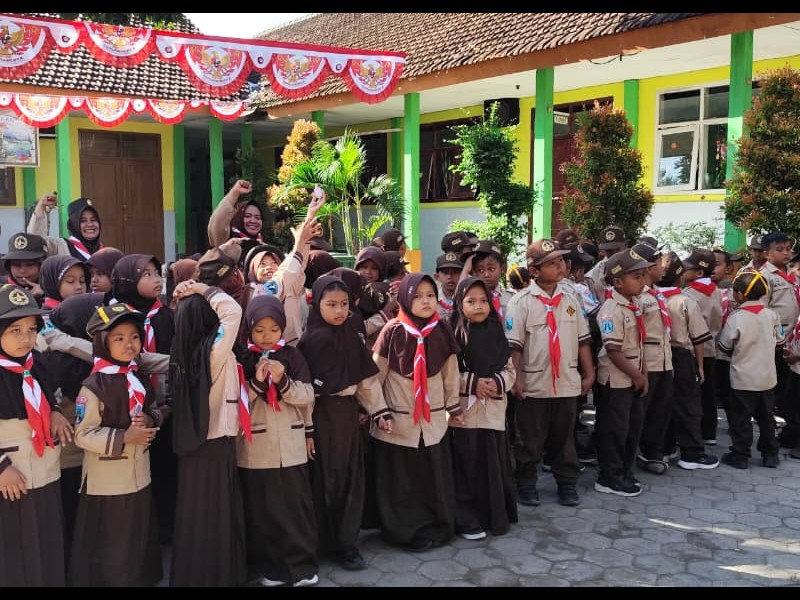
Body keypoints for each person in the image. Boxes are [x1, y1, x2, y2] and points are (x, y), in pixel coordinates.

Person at [297, 275, 390, 571]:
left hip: (347, 418)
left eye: (344, 304)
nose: (339, 311)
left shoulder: (351, 336)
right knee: (323, 480)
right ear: (317, 305)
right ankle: (321, 542)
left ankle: (346, 544)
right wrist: (308, 429)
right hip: (320, 418)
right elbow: (305, 390)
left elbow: (366, 380)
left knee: (350, 478)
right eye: (331, 304)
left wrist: (379, 411)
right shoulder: (310, 341)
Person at [69, 304, 163, 587]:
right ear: (102, 342)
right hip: (107, 481)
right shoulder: (93, 386)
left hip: (139, 474)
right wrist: (124, 437)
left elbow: (154, 408)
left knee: (137, 534)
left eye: (134, 337)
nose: (128, 344)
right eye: (118, 338)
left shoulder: (138, 378)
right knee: (113, 542)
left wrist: (150, 419)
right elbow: (82, 434)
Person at [371, 273, 462, 552]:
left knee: (432, 476)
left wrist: (453, 405)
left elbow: (450, 373)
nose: (425, 301)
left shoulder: (441, 330)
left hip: (432, 420)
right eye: (418, 296)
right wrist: (378, 410)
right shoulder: (392, 331)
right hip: (399, 421)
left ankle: (437, 526)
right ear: (405, 298)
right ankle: (404, 531)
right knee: (403, 478)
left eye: (430, 295)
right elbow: (375, 376)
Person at [168, 277, 247, 587]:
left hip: (195, 444)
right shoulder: (212, 352)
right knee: (217, 513)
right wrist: (202, 289)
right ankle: (218, 575)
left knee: (195, 514)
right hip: (215, 442)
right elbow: (233, 312)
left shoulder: (183, 352)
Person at [237, 295, 319, 587]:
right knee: (264, 511)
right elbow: (236, 404)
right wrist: (257, 383)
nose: (267, 336)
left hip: (292, 444)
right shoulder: (243, 358)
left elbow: (307, 396)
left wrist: (283, 381)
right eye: (259, 330)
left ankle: (302, 566)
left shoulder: (293, 356)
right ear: (249, 329)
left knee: (296, 507)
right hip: (256, 449)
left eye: (274, 329)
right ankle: (271, 568)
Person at [507, 240, 594, 507]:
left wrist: (589, 373)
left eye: (561, 261)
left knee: (564, 438)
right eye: (551, 263)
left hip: (566, 382)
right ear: (534, 271)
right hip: (533, 384)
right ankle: (526, 483)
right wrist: (515, 379)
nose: (560, 266)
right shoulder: (521, 302)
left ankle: (566, 483)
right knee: (529, 439)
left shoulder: (571, 299)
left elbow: (582, 340)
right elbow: (514, 346)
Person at [0, 283, 72, 587]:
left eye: (31, 329)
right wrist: (1, 468)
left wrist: (54, 410)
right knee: (16, 549)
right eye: (15, 330)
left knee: (47, 537)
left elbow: (45, 394)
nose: (26, 338)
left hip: (44, 468)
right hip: (11, 476)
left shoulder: (36, 361)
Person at [110, 253, 176, 545]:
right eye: (145, 274)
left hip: (166, 403)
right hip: (129, 406)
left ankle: (165, 529)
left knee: (165, 465)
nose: (156, 279)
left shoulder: (167, 315)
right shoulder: (114, 316)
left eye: (156, 272)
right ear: (127, 280)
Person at [448, 276, 517, 538]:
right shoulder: (452, 333)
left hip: (493, 411)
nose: (478, 306)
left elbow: (509, 369)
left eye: (483, 301)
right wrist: (473, 383)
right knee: (467, 466)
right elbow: (446, 373)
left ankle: (494, 516)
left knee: (493, 464)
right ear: (459, 303)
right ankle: (467, 519)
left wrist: (496, 383)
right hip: (463, 413)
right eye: (471, 301)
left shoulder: (496, 331)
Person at [47, 292, 106, 572]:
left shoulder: (79, 351)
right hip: (67, 460)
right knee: (69, 515)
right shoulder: (53, 359)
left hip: (90, 457)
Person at [594, 249, 652, 497]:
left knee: (631, 427)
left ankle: (624, 470)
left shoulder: (634, 304)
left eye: (643, 275)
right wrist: (637, 376)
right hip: (616, 381)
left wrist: (643, 373)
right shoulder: (611, 310)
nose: (642, 281)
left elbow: (639, 344)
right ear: (618, 282)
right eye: (636, 277)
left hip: (633, 378)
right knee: (614, 429)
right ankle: (609, 476)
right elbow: (614, 351)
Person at [717, 269, 786, 469]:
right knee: (766, 418)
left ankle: (740, 455)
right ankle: (770, 454)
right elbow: (780, 341)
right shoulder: (772, 315)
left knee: (741, 418)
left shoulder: (736, 318)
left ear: (739, 294)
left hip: (743, 378)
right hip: (767, 378)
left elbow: (724, 346)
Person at [656, 252, 717, 471]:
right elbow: (698, 338)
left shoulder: (649, 298)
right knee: (688, 405)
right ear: (680, 277)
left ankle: (663, 449)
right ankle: (692, 453)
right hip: (681, 356)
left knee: (662, 404)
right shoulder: (684, 301)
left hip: (657, 357)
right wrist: (699, 366)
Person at [757, 232, 799, 446]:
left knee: (789, 391)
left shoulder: (793, 274)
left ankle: (789, 430)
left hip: (793, 340)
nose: (786, 253)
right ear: (767, 254)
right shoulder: (764, 276)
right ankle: (769, 430)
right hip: (775, 342)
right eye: (780, 249)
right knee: (774, 389)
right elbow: (762, 311)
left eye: (788, 249)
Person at [681, 248, 723, 446]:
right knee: (708, 393)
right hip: (710, 348)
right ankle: (709, 432)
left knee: (692, 394)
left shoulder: (689, 295)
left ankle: (693, 434)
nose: (683, 270)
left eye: (688, 268)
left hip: (693, 350)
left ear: (699, 272)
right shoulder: (716, 291)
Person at [28, 194, 104, 260]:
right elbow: (35, 241)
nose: (90, 224)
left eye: (93, 220)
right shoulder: (60, 247)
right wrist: (41, 206)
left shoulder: (103, 251)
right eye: (83, 221)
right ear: (74, 224)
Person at [463, 239, 513, 323]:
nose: (486, 274)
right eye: (480, 270)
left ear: (502, 268)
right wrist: (465, 270)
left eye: (491, 269)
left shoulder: (511, 298)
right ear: (474, 272)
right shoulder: (469, 299)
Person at [207, 179, 266, 247]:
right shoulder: (225, 243)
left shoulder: (265, 247)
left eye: (258, 217)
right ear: (238, 218)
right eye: (247, 216)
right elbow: (218, 221)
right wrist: (234, 193)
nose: (253, 221)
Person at [585, 225, 627, 305]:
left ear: (625, 246)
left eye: (617, 249)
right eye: (609, 251)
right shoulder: (595, 274)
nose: (614, 254)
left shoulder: (636, 267)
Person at [2, 232, 48, 303]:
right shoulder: (2, 288)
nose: (22, 271)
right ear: (8, 266)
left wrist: (45, 294)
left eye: (30, 265)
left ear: (41, 265)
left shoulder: (56, 289)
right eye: (16, 265)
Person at [435, 252, 464, 320]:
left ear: (462, 275)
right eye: (445, 272)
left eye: (455, 272)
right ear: (437, 277)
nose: (450, 276)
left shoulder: (466, 298)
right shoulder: (433, 299)